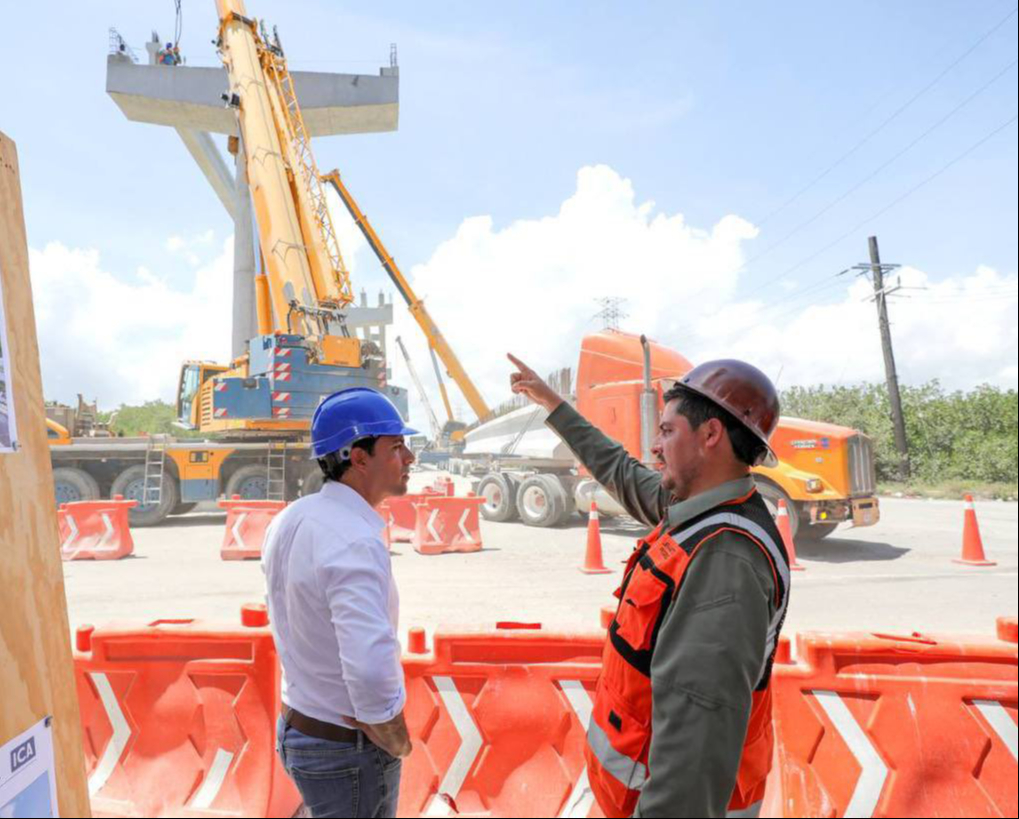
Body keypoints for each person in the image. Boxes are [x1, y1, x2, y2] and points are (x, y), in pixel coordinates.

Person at [508, 354, 791, 819]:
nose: (656, 447)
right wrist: (554, 404)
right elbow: (618, 469)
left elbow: (695, 744)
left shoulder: (725, 557)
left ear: (711, 435)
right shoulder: (693, 509)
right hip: (629, 795)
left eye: (666, 431)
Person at [262, 387, 418, 818]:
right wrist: (395, 736)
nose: (410, 458)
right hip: (345, 752)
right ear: (358, 457)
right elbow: (369, 667)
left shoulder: (293, 518)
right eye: (397, 446)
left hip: (300, 727)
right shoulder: (352, 539)